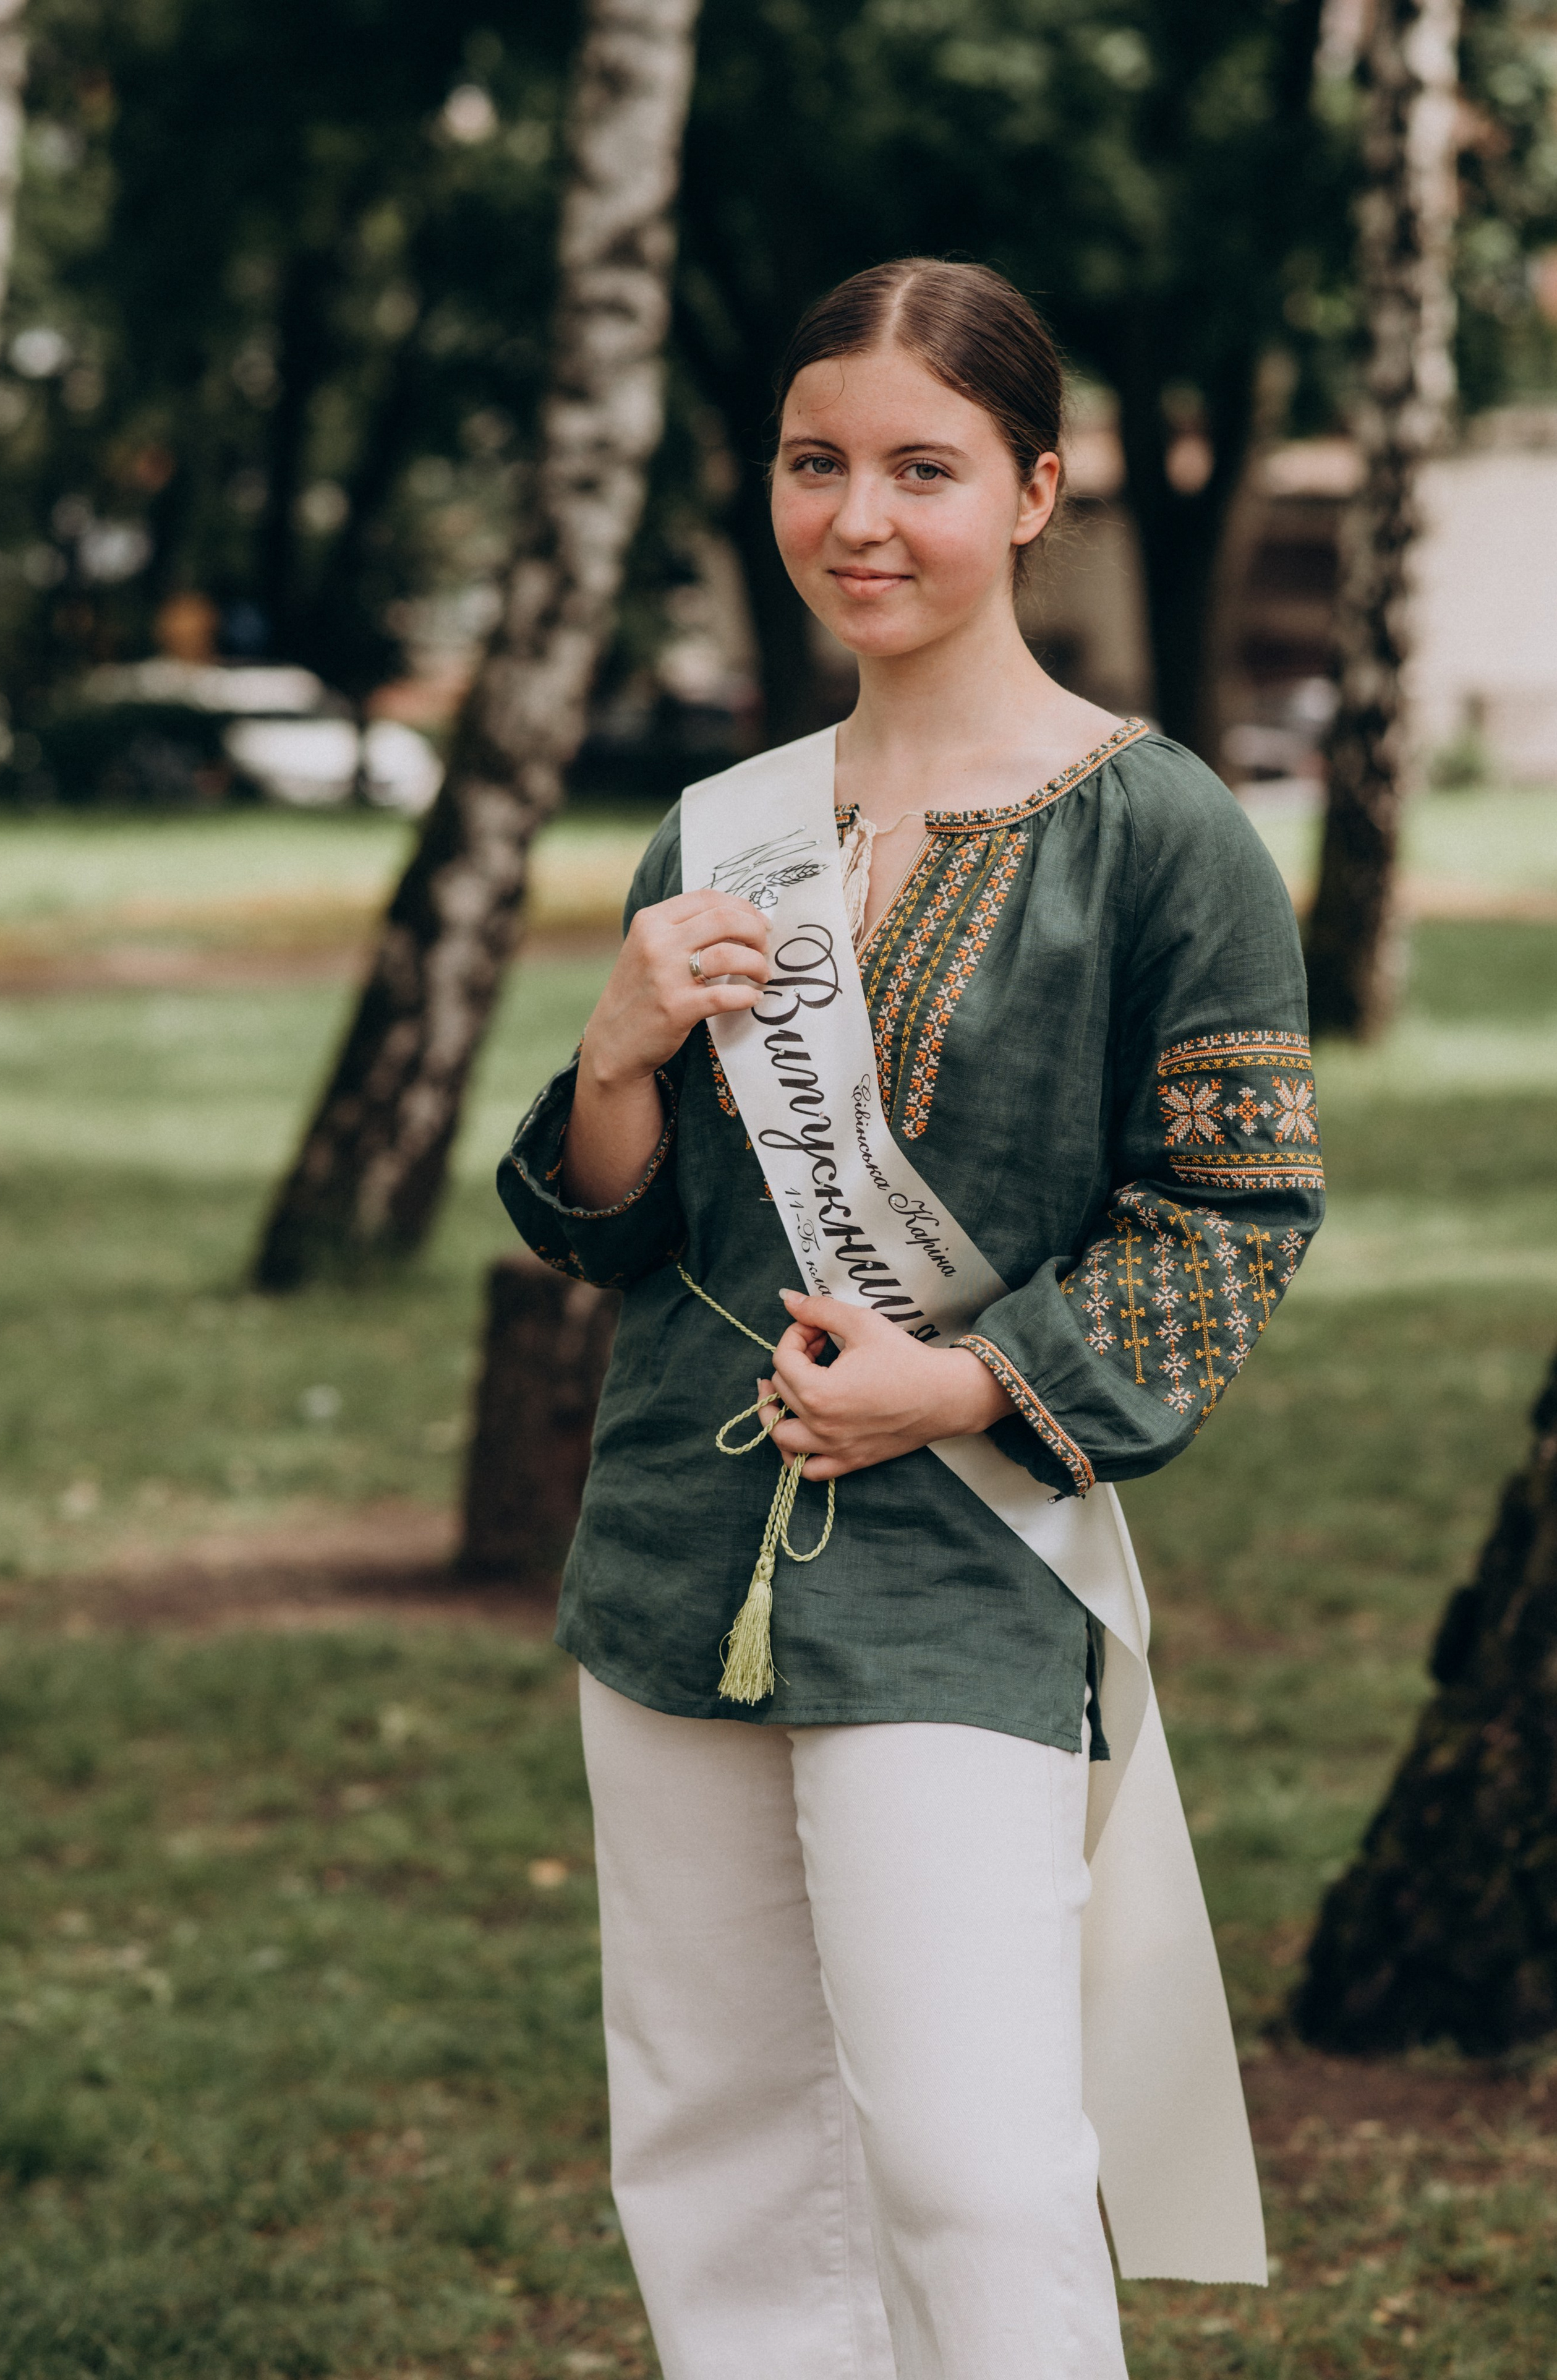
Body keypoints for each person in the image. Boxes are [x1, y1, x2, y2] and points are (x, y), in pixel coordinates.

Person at [498, 257, 1323, 2380]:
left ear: (1039, 491)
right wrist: (609, 1060)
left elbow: (1236, 1216)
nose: (859, 519)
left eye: (923, 470)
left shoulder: (1166, 835)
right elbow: (615, 1226)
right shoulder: (722, 829)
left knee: (970, 2157)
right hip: (677, 1559)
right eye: (815, 465)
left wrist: (958, 1380)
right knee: (715, 2148)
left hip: (965, 1562)